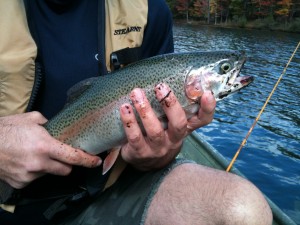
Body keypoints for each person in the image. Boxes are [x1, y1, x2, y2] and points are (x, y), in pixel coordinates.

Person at [0, 0, 272, 224]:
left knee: (242, 208)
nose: (227, 73)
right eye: (224, 69)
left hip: (107, 195)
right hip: (9, 206)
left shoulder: (150, 12)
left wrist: (157, 153)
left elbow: (158, 156)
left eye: (224, 69)